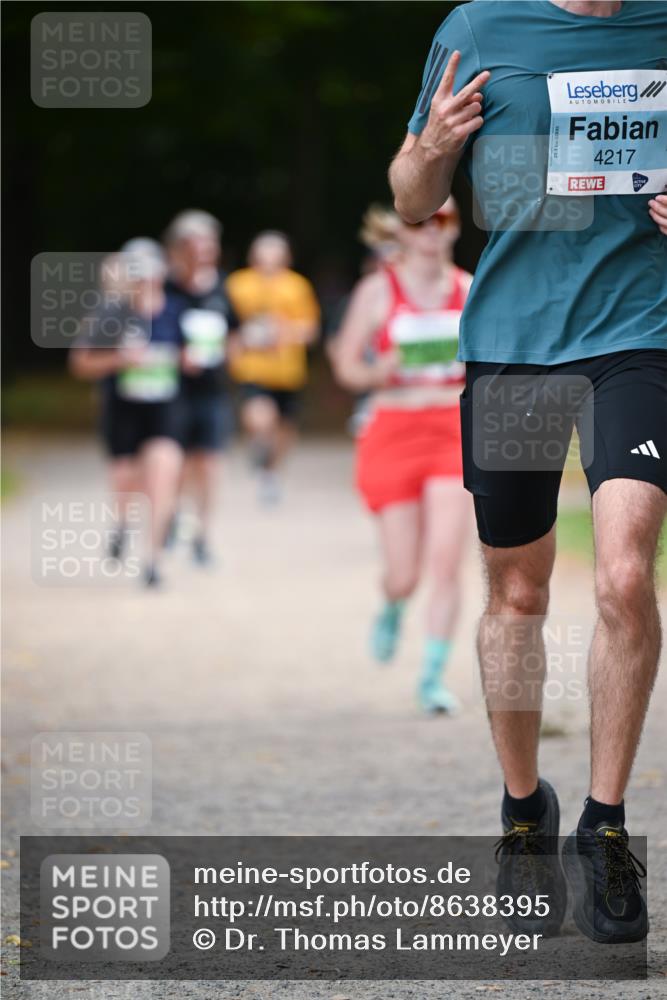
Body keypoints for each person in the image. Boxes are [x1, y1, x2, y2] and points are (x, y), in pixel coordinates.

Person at [390, 0, 666, 943]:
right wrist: (432, 144)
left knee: (626, 572)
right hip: (513, 344)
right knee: (516, 592)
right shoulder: (481, 25)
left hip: (640, 334)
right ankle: (521, 815)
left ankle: (606, 827)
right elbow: (407, 195)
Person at [335, 200, 472, 713]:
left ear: (456, 229)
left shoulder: (470, 288)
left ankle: (432, 678)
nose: (433, 231)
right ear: (401, 231)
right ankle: (393, 604)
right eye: (422, 220)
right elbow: (346, 366)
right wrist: (380, 370)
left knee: (445, 561)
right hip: (392, 429)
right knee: (405, 573)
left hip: (452, 431)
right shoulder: (377, 290)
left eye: (445, 220)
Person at [69, 240, 184, 588]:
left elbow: (199, 350)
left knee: (162, 475)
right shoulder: (112, 313)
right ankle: (121, 524)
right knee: (125, 478)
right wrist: (120, 359)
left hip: (164, 410)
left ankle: (153, 561)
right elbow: (80, 362)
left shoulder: (175, 311)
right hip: (123, 410)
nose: (147, 279)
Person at [163, 210, 239, 564]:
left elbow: (234, 332)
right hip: (171, 390)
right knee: (175, 464)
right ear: (180, 247)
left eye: (211, 242)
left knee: (208, 464)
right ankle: (171, 516)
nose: (207, 249)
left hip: (212, 390)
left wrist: (233, 352)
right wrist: (174, 356)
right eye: (199, 243)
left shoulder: (223, 286)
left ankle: (203, 537)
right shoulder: (165, 287)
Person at [226, 231, 320, 504]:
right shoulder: (238, 284)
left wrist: (285, 333)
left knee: (286, 429)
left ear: (286, 257)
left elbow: (311, 329)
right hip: (252, 369)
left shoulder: (297, 286)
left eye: (276, 254)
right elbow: (228, 326)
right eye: (264, 253)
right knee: (260, 417)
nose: (269, 260)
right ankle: (258, 445)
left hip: (289, 371)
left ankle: (271, 473)